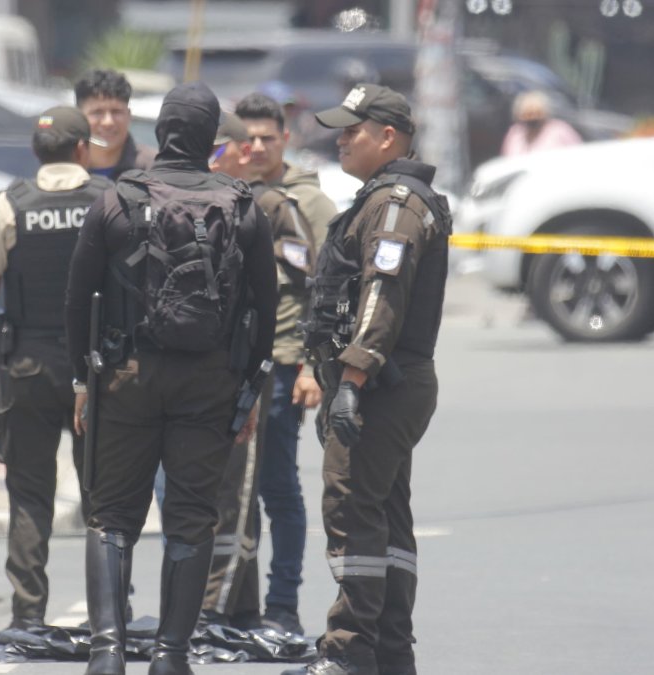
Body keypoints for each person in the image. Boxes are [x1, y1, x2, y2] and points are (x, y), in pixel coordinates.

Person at [66, 81, 278, 675]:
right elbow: (267, 305)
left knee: (112, 516)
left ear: (161, 132)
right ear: (213, 138)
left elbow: (77, 300)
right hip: (210, 384)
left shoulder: (115, 200)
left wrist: (82, 384)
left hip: (126, 379)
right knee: (190, 517)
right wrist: (250, 390)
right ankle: (171, 655)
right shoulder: (242, 206)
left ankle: (107, 654)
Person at [288, 84, 451, 675]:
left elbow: (381, 297)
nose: (340, 138)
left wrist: (352, 380)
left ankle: (350, 651)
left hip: (379, 382)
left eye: (352, 130)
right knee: (386, 514)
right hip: (387, 381)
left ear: (388, 137)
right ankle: (389, 649)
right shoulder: (382, 198)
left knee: (354, 506)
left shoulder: (394, 204)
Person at [0, 106, 112, 632]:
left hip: (27, 365)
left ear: (36, 153)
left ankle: (28, 618)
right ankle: (107, 620)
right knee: (103, 497)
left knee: (30, 492)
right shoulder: (107, 202)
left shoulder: (10, 205)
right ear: (82, 151)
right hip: (96, 372)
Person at [234, 92, 336, 636]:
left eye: (266, 139)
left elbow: (331, 287)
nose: (254, 148)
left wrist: (311, 366)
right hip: (231, 367)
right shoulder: (228, 191)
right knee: (236, 492)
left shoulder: (309, 203)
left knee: (277, 487)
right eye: (246, 138)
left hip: (281, 364)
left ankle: (282, 603)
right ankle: (239, 604)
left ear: (284, 140)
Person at [199, 111, 265, 630]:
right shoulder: (214, 206)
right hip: (206, 372)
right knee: (219, 494)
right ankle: (234, 605)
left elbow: (276, 305)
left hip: (242, 371)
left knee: (238, 496)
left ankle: (219, 608)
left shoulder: (258, 209)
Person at [75, 68, 157, 181]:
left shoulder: (155, 169)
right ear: (79, 116)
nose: (108, 122)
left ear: (129, 115)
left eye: (116, 112)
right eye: (97, 112)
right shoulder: (60, 167)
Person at [500, 90, 582, 156]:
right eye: (527, 114)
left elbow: (578, 153)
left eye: (537, 113)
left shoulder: (560, 130)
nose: (532, 118)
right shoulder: (515, 134)